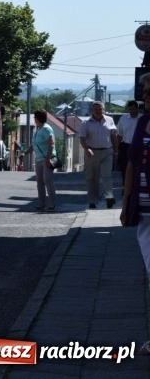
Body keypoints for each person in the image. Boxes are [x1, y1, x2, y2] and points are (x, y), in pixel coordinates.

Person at [120, 73, 150, 355]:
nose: (147, 96)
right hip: (142, 211)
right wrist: (126, 198)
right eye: (146, 92)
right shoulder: (141, 122)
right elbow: (131, 163)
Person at [79, 101, 119, 209]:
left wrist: (116, 151)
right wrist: (87, 149)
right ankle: (93, 201)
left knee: (107, 175)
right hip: (91, 152)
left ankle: (109, 197)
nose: (98, 111)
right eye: (96, 109)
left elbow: (114, 136)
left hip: (107, 151)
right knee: (92, 178)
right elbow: (82, 138)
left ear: (103, 109)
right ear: (92, 110)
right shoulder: (86, 122)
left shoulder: (109, 120)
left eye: (100, 109)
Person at [24, 109, 57, 212]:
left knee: (48, 180)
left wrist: (48, 159)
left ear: (37, 118)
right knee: (40, 182)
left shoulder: (46, 129)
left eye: (34, 117)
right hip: (38, 159)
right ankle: (41, 203)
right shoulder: (38, 129)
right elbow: (33, 145)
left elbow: (51, 144)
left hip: (47, 159)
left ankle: (52, 204)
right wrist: (24, 153)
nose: (34, 119)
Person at [117, 100, 140, 185]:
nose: (131, 111)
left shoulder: (142, 118)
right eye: (130, 109)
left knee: (138, 167)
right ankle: (125, 186)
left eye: (133, 109)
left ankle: (136, 186)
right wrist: (117, 149)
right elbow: (119, 135)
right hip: (126, 146)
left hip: (139, 146)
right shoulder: (123, 119)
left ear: (137, 109)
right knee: (125, 168)